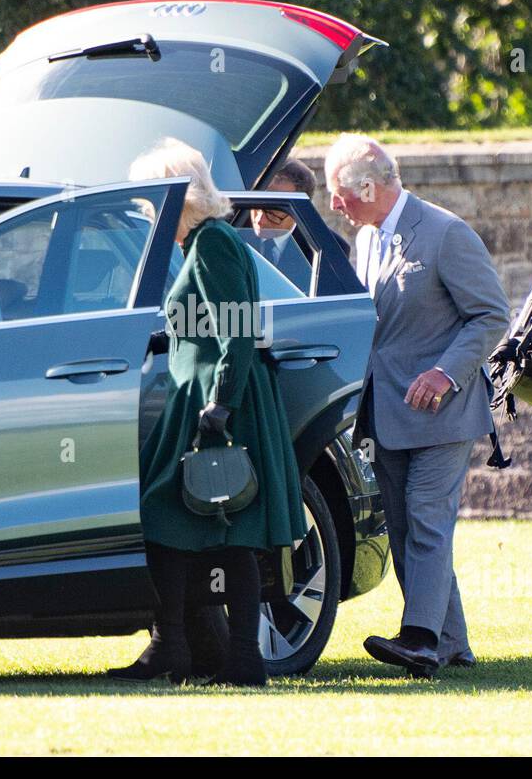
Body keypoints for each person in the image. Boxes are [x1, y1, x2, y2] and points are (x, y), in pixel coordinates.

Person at [108, 138, 308, 686]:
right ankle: (193, 650)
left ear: (179, 196)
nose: (148, 212)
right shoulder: (205, 241)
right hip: (204, 398)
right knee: (210, 526)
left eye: (154, 200)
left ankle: (211, 653)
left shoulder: (213, 242)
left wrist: (221, 401)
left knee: (198, 521)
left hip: (218, 404)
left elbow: (235, 332)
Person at [326, 134, 509, 676]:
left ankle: (420, 639)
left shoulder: (446, 233)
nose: (334, 206)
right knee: (404, 532)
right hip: (386, 414)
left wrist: (445, 372)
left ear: (367, 186)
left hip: (443, 412)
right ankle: (451, 642)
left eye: (340, 194)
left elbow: (491, 316)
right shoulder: (365, 242)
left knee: (428, 523)